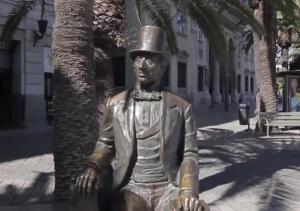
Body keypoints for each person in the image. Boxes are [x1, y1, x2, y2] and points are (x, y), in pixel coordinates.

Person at [75, 26, 209, 211]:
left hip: (168, 189)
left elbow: (190, 154)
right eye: (138, 59)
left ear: (162, 67)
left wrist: (188, 192)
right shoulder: (115, 104)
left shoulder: (181, 108)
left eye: (150, 60)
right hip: (131, 188)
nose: (142, 65)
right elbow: (105, 144)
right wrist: (93, 166)